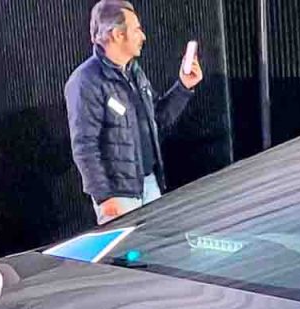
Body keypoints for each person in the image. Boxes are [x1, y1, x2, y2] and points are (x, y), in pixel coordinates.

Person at [65, 0, 202, 223]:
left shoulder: (134, 72)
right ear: (118, 35)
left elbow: (158, 117)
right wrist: (104, 197)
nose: (143, 36)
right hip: (119, 197)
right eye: (137, 29)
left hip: (149, 183)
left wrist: (183, 87)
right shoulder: (86, 81)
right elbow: (85, 146)